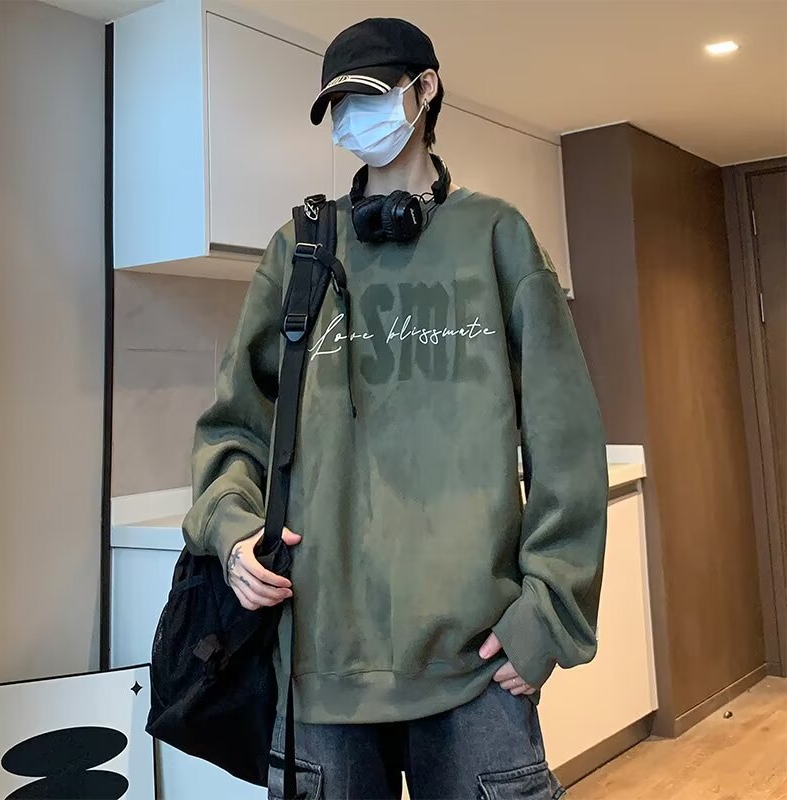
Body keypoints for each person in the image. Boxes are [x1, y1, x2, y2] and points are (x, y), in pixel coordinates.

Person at [182, 16, 608, 800]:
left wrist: (549, 614)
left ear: (425, 88)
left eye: (369, 95)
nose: (354, 118)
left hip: (475, 665)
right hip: (317, 664)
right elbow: (235, 427)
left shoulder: (497, 237)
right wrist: (232, 533)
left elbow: (567, 442)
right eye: (338, 105)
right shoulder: (299, 251)